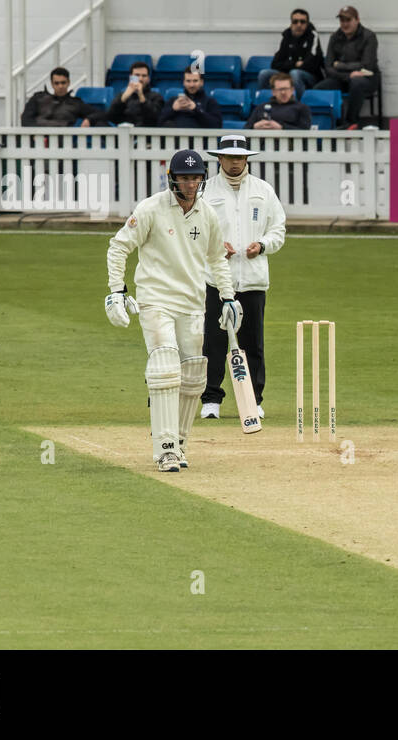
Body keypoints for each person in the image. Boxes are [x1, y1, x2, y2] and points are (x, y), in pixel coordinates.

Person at [105, 149, 241, 472]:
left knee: (194, 374)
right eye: (185, 178)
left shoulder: (207, 214)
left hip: (192, 302)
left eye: (196, 178)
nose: (191, 184)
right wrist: (116, 292)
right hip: (156, 299)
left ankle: (179, 443)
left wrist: (228, 297)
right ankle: (164, 448)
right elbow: (119, 246)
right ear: (173, 179)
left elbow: (216, 259)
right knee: (166, 366)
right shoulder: (151, 209)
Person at [198, 135, 287, 421]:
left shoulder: (263, 190)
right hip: (216, 279)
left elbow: (278, 230)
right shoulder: (206, 191)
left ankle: (254, 400)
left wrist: (262, 245)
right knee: (213, 340)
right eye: (229, 157)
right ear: (219, 159)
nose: (235, 162)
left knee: (253, 343)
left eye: (240, 157)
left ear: (246, 158)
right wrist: (214, 246)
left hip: (253, 279)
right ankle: (211, 399)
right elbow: (194, 230)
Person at [312, 5, 378, 129]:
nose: (345, 24)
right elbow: (328, 67)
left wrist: (340, 65)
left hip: (367, 79)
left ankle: (351, 123)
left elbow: (367, 65)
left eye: (348, 20)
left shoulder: (368, 36)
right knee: (319, 88)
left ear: (357, 20)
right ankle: (330, 123)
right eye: (342, 20)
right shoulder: (335, 37)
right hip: (343, 78)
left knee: (357, 82)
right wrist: (348, 75)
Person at [256, 8, 325, 97]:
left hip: (311, 77)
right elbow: (275, 64)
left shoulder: (313, 36)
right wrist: (295, 64)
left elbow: (313, 64)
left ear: (307, 24)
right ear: (291, 23)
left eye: (302, 22)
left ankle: (298, 106)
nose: (299, 25)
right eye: (295, 22)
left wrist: (290, 66)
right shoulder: (287, 36)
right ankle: (267, 104)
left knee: (295, 74)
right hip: (289, 74)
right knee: (264, 74)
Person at [20, 67, 105, 127]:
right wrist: (37, 133)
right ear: (52, 84)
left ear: (68, 82)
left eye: (63, 82)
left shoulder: (75, 103)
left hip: (63, 142)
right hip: (37, 140)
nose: (60, 86)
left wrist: (89, 119)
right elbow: (26, 119)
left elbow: (100, 113)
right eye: (56, 83)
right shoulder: (38, 99)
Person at [158, 67, 223, 128]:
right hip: (176, 139)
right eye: (188, 81)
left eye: (195, 81)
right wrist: (173, 109)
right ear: (183, 82)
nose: (191, 85)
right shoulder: (173, 101)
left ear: (201, 82)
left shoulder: (210, 102)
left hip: (200, 139)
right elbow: (158, 123)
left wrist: (196, 109)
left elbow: (217, 125)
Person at [107, 60, 164, 126]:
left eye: (144, 76)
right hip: (124, 133)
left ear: (148, 79)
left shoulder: (156, 96)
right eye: (137, 75)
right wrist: (123, 98)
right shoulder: (123, 96)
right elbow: (110, 117)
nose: (140, 79)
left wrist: (141, 97)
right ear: (130, 77)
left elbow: (155, 118)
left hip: (145, 133)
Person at [246, 74, 312, 130]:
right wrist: (255, 126)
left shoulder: (302, 108)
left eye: (286, 89)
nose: (283, 92)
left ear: (292, 90)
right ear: (273, 91)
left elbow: (305, 132)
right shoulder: (261, 107)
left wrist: (281, 127)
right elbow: (246, 129)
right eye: (280, 89)